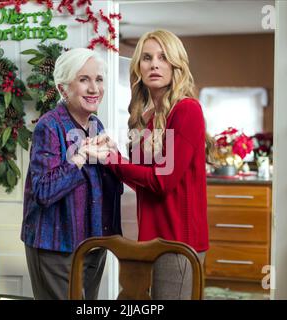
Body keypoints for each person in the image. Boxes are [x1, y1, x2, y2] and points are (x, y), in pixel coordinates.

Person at [98, 29, 210, 299]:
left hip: (178, 243)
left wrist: (113, 162)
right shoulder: (147, 117)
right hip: (151, 240)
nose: (155, 64)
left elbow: (162, 181)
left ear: (176, 64)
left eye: (163, 57)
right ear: (138, 66)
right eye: (147, 58)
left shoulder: (187, 110)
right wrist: (114, 156)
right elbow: (142, 180)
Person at [21, 48, 123, 300]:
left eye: (98, 79)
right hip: (55, 244)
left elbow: (108, 188)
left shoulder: (96, 125)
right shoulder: (49, 125)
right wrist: (79, 158)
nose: (94, 88)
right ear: (63, 88)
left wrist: (113, 158)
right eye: (83, 79)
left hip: (93, 242)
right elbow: (43, 191)